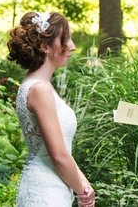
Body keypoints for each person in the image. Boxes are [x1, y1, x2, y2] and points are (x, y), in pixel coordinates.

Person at [7, 12, 95, 207]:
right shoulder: (39, 89)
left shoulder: (40, 85)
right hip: (45, 193)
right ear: (44, 46)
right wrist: (82, 191)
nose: (72, 46)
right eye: (65, 39)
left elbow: (62, 149)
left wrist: (82, 182)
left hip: (53, 187)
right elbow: (57, 155)